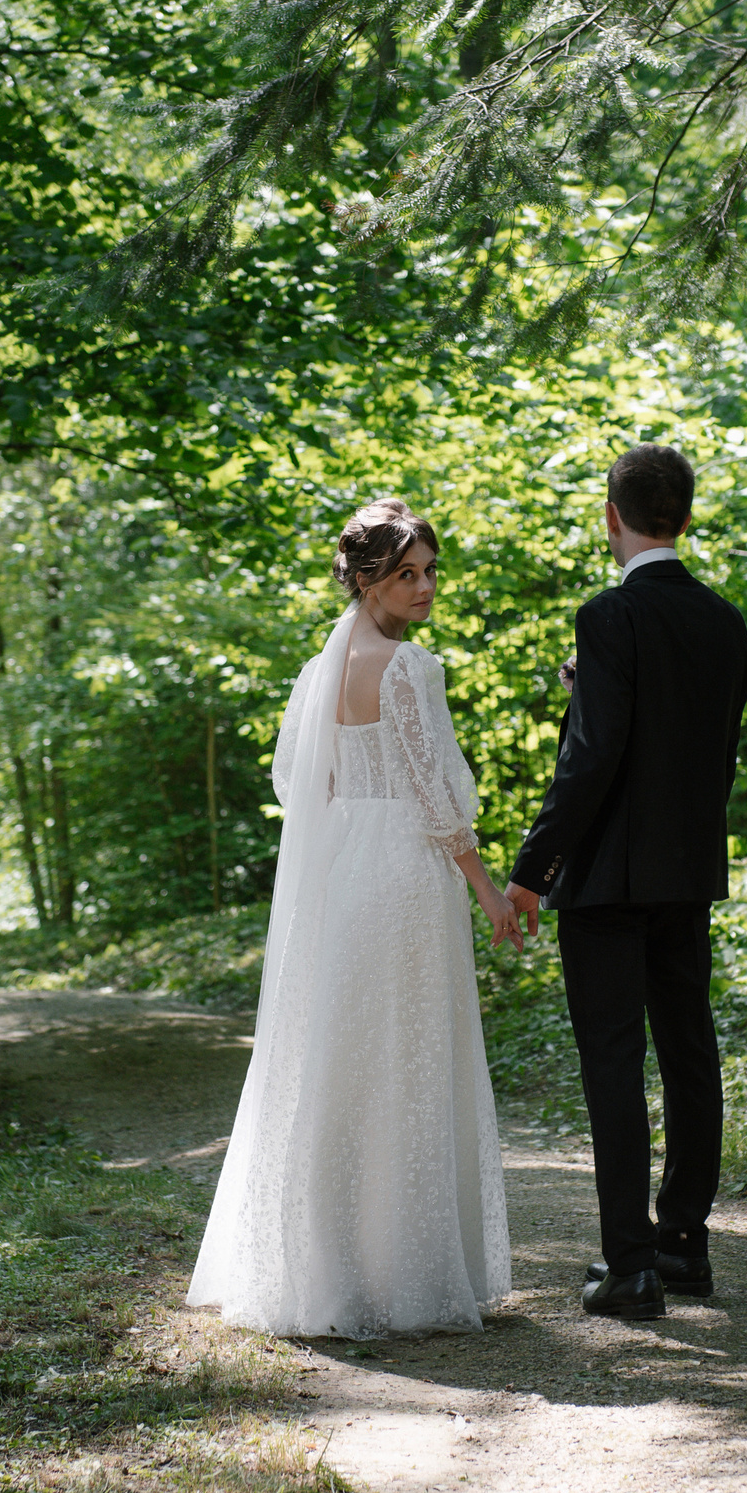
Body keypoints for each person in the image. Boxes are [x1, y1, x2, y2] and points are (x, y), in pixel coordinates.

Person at [187, 499, 518, 1338]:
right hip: (406, 875)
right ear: (367, 578)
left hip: (345, 876)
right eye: (407, 573)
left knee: (346, 1061)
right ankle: (405, 1273)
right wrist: (485, 889)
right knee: (405, 1061)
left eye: (431, 571)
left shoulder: (321, 670)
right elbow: (438, 792)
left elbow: (308, 788)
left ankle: (334, 1270)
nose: (425, 588)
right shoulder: (410, 670)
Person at [499, 444, 747, 1321]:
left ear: (611, 517)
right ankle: (685, 1242)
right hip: (687, 873)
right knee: (688, 1049)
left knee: (614, 1060)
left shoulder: (608, 615)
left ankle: (629, 1263)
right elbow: (700, 748)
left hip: (607, 882)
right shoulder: (725, 622)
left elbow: (596, 755)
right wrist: (589, 691)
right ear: (684, 517)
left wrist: (535, 870)